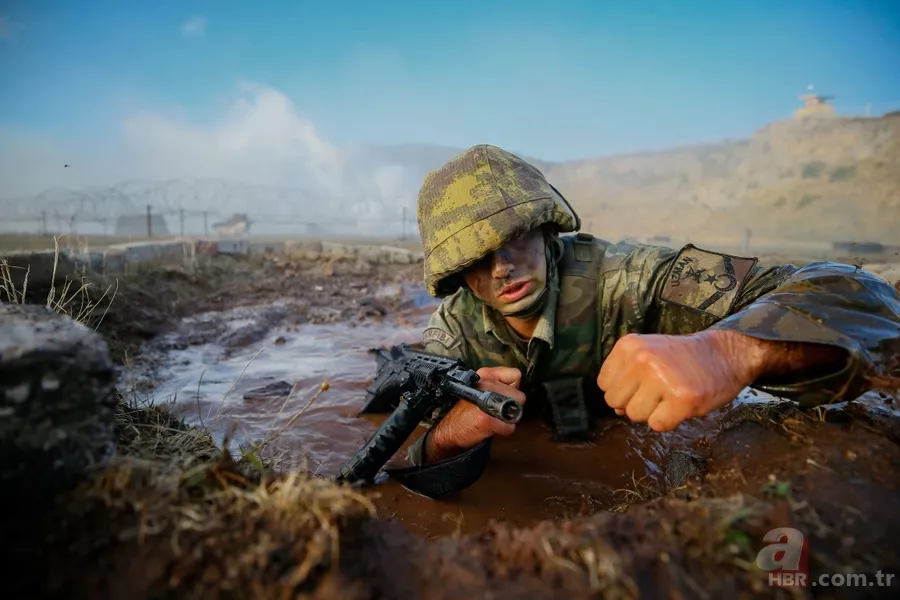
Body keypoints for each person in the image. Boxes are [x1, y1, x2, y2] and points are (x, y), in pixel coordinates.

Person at [398, 144, 900, 495]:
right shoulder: (451, 336)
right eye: (475, 260)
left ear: (547, 228)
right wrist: (447, 435)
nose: (501, 267)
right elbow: (410, 460)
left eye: (514, 238)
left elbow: (860, 295)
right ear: (456, 277)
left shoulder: (631, 278)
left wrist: (728, 351)